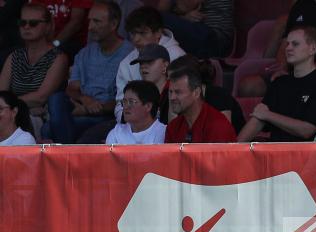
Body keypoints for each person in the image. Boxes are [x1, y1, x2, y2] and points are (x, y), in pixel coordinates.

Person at [46, 0, 132, 143]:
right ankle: (69, 154)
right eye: (90, 21)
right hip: (81, 108)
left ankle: (67, 154)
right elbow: (72, 88)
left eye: (97, 21)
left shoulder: (129, 54)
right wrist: (85, 99)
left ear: (114, 24)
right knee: (56, 98)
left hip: (107, 117)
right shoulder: (85, 53)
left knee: (48, 129)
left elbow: (126, 99)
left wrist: (94, 108)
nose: (90, 27)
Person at [241, 0, 316, 98]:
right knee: (249, 86)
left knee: (304, 91)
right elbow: (285, 43)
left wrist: (309, 73)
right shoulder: (300, 5)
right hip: (294, 71)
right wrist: (282, 67)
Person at [237, 25, 316, 143]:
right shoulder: (279, 83)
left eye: (295, 44)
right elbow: (258, 119)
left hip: (308, 156)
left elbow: (307, 130)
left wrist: (268, 115)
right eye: (287, 44)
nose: (288, 48)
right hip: (275, 155)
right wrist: (233, 149)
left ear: (313, 49)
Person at [114, 6, 184, 122]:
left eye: (142, 33)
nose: (136, 39)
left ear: (158, 32)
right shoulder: (126, 63)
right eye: (133, 33)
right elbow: (120, 105)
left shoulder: (178, 57)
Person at [0, 4, 67, 124]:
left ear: (47, 26)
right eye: (22, 23)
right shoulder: (14, 57)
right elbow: (1, 92)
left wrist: (7, 104)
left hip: (40, 118)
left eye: (33, 23)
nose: (26, 27)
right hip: (10, 114)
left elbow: (41, 97)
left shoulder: (58, 58)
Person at [163, 63, 236, 143]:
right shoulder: (173, 127)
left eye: (178, 92)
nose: (172, 97)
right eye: (170, 92)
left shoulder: (218, 125)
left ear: (196, 93)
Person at [155, 0, 232, 58]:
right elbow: (161, 9)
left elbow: (185, 6)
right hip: (198, 34)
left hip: (216, 40)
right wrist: (184, 18)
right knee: (157, 18)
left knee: (160, 18)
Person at [105, 79, 165, 144]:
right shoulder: (116, 134)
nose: (126, 107)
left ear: (148, 106)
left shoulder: (163, 133)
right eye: (124, 101)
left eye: (131, 102)